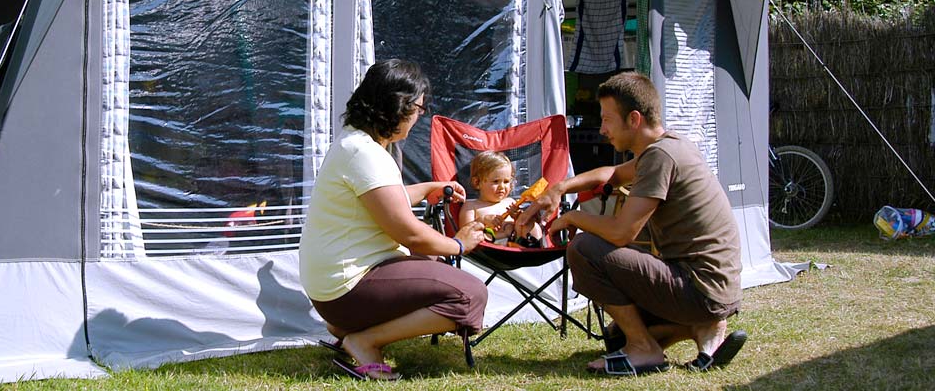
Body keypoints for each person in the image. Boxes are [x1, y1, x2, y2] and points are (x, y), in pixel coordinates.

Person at [516, 71, 746, 376]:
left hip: (699, 287)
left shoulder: (659, 158)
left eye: (607, 119)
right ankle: (700, 328)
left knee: (583, 248)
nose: (602, 130)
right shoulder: (670, 146)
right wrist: (557, 189)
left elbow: (623, 233)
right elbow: (611, 174)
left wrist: (572, 217)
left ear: (634, 119)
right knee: (615, 338)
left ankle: (645, 348)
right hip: (712, 287)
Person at [299, 59, 488, 381]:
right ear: (398, 106)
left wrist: (427, 188)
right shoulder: (365, 154)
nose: (418, 117)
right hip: (345, 288)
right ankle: (364, 340)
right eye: (418, 109)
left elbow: (380, 198)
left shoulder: (355, 142)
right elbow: (408, 232)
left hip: (331, 286)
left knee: (429, 259)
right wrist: (459, 244)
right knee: (470, 294)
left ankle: (347, 326)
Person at [458, 151, 542, 245]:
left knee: (531, 224)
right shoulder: (470, 206)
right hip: (488, 249)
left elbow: (520, 226)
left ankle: (535, 245)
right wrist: (482, 220)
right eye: (496, 181)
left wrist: (518, 217)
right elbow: (464, 232)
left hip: (515, 245)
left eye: (506, 181)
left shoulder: (510, 202)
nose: (502, 186)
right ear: (477, 182)